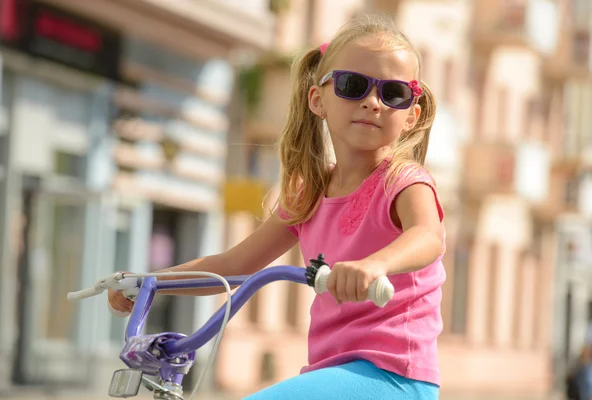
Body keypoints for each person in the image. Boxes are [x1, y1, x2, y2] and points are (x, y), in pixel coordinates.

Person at [109, 14, 445, 400]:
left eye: (393, 93)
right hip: (329, 371)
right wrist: (150, 282)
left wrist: (376, 264)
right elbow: (235, 265)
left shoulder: (404, 181)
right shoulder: (309, 194)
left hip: (392, 375)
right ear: (318, 99)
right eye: (353, 86)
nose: (372, 102)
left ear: (411, 115)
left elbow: (427, 236)